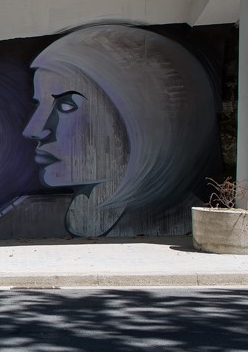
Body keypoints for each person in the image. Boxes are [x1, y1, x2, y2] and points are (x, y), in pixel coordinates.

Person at [21, 24, 217, 236]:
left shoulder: (174, 224)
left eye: (66, 105)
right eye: (39, 104)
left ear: (144, 122)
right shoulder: (33, 212)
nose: (34, 130)